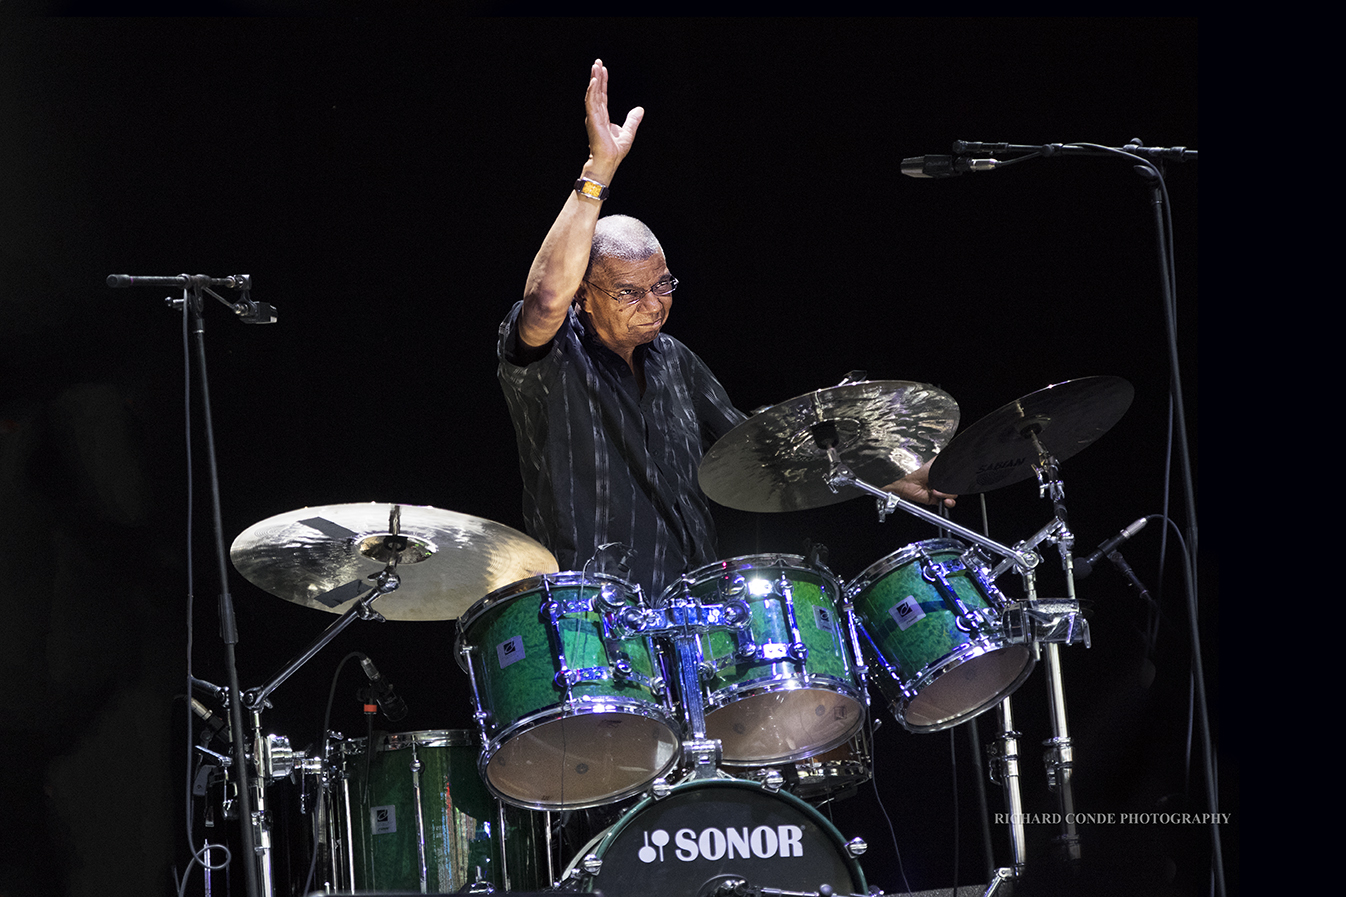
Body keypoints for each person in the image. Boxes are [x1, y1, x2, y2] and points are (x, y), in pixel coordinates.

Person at [497, 59, 950, 600]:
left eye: (663, 285)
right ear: (585, 296)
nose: (654, 305)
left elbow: (759, 448)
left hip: (694, 610)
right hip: (593, 615)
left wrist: (887, 470)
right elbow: (545, 299)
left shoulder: (675, 360)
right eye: (628, 292)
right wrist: (598, 172)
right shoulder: (553, 356)